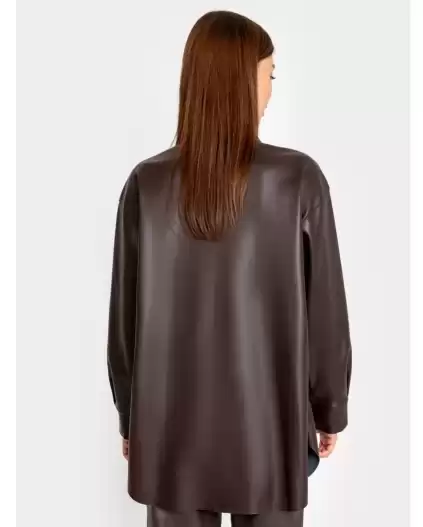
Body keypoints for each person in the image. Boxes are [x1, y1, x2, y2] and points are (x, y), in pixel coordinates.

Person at [106, 9, 352, 527]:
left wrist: (130, 414)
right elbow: (326, 312)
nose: (271, 91)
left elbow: (124, 325)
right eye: (269, 75)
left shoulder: (146, 184)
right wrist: (329, 407)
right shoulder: (298, 180)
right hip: (272, 431)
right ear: (242, 80)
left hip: (168, 433)